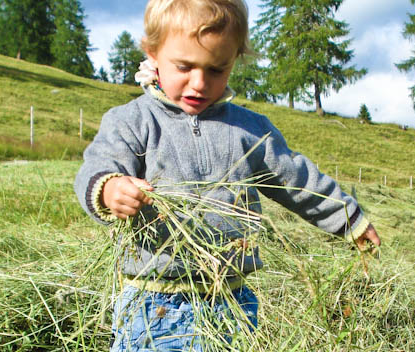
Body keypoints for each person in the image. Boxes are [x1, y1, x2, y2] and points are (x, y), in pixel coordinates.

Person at [74, 0, 381, 350]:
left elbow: (295, 179)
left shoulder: (248, 130)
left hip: (231, 303)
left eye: (217, 70)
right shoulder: (133, 121)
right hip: (154, 304)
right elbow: (97, 167)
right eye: (184, 66)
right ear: (153, 52)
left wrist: (349, 218)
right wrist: (110, 189)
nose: (199, 83)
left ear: (234, 60)